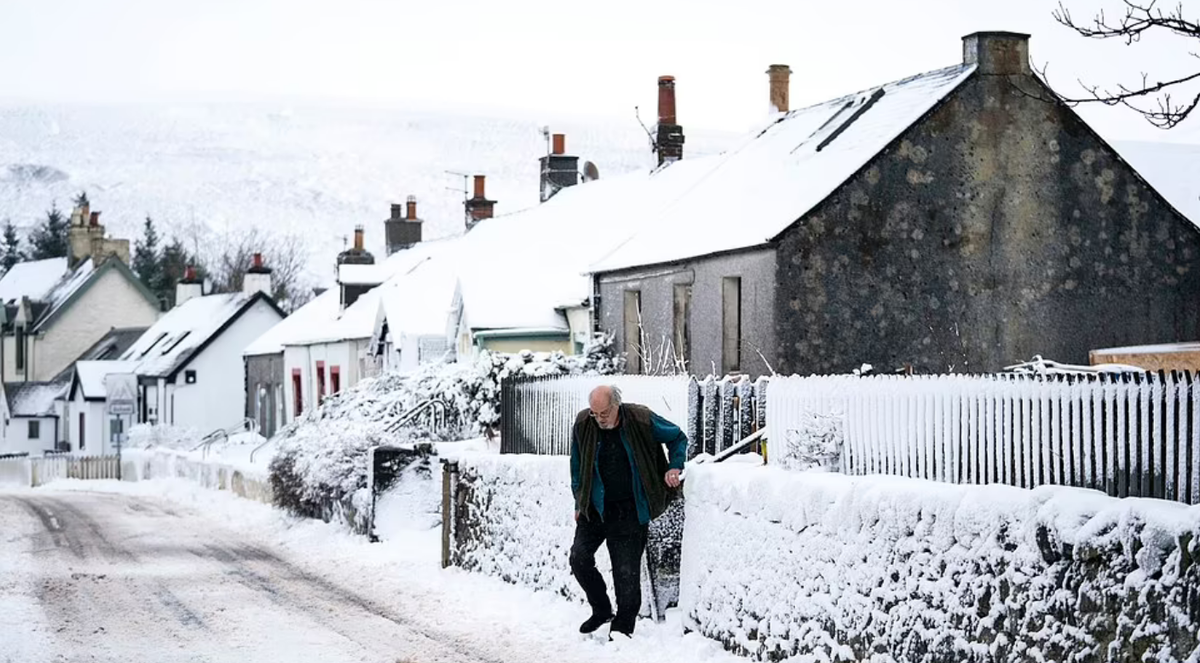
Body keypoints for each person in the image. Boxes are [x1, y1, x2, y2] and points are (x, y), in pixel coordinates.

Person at [569, 384, 688, 638]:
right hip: (596, 508)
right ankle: (601, 609)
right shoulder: (583, 423)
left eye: (603, 413)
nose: (599, 419)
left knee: (626, 575)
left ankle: (622, 631)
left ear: (616, 406)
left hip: (630, 510)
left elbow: (678, 437)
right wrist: (579, 502)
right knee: (579, 558)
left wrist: (675, 466)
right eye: (594, 413)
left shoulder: (641, 419)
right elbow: (576, 465)